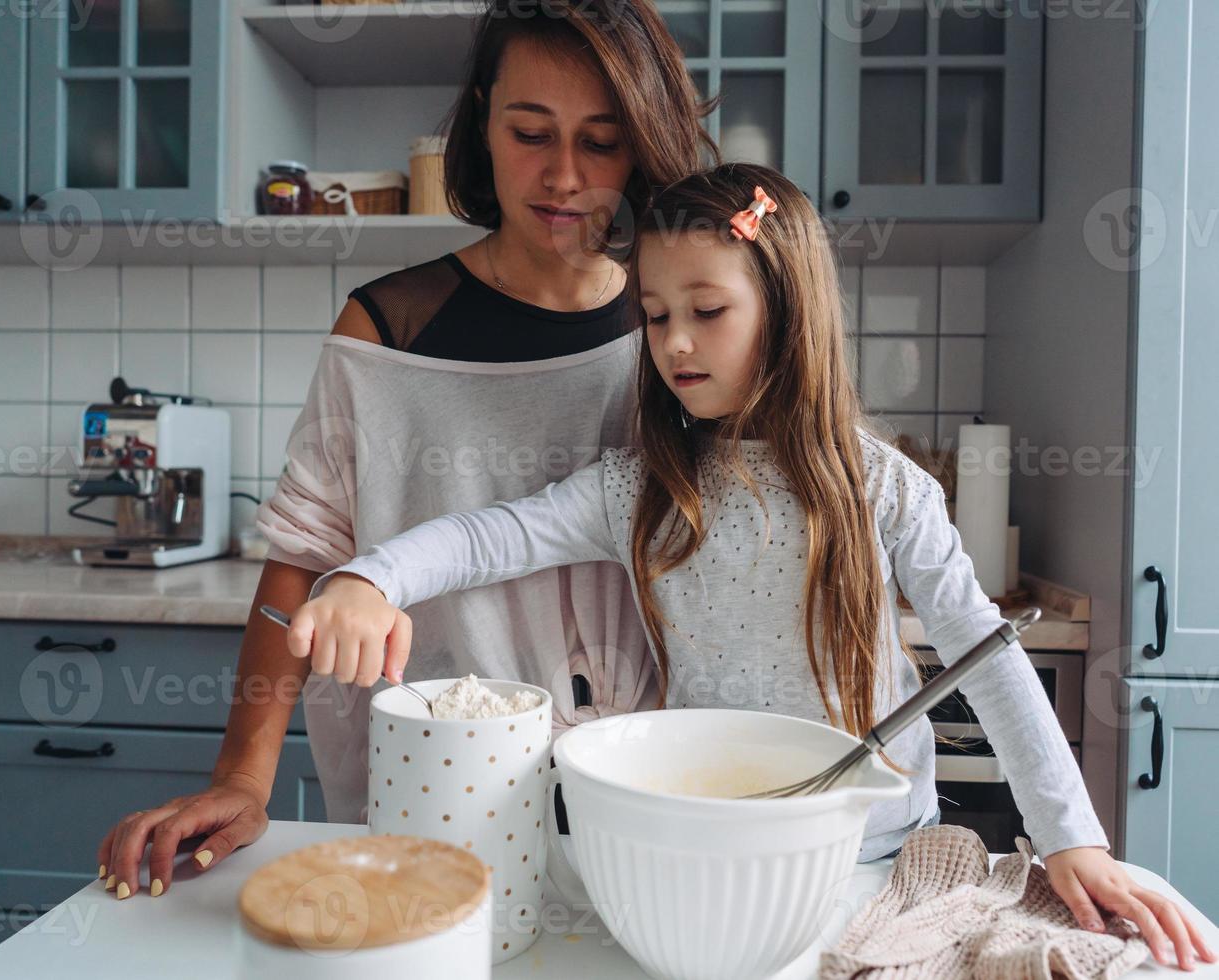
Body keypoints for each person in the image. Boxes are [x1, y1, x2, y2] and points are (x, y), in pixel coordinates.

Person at [292, 163, 1215, 971]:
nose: (675, 343)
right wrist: (371, 578)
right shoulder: (642, 490)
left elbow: (991, 655)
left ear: (787, 308)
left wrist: (1072, 839)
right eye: (655, 316)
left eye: (708, 311)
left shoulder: (885, 489)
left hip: (873, 853)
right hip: (707, 846)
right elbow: (487, 536)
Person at [95, 0, 717, 902]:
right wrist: (244, 777)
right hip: (431, 788)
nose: (564, 176)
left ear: (644, 145)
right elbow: (300, 565)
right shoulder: (388, 331)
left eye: (603, 141)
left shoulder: (671, 335)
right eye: (530, 132)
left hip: (630, 797)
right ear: (481, 122)